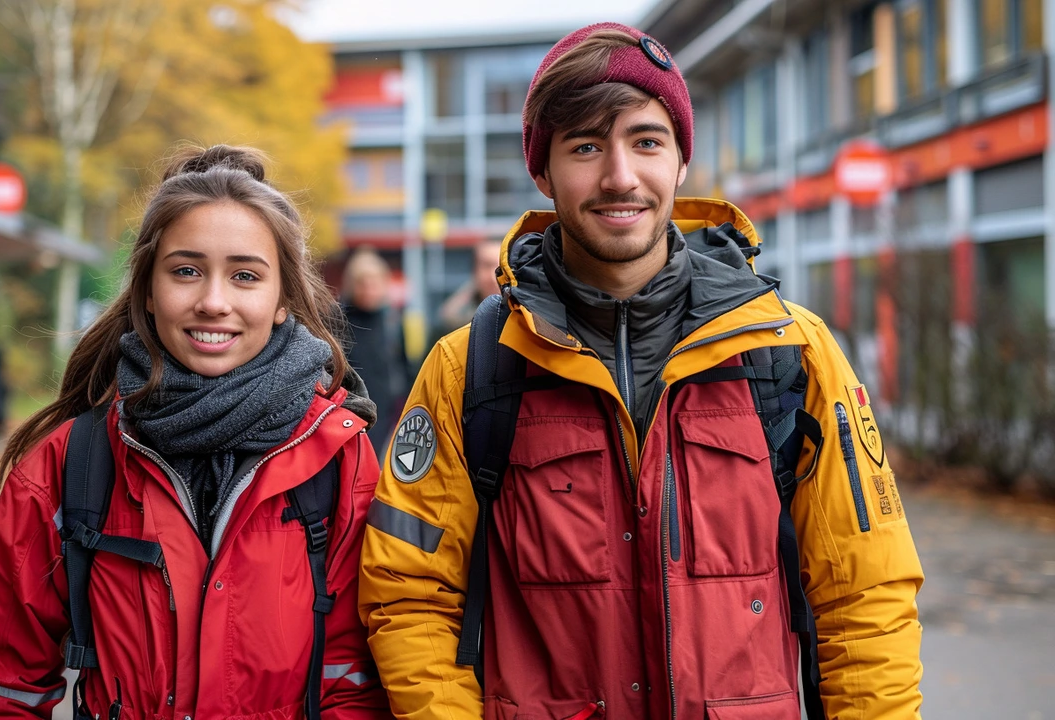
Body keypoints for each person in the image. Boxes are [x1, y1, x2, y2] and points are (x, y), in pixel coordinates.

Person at [359, 23, 924, 719]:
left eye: (646, 141)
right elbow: (407, 594)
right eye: (586, 146)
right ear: (542, 171)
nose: (619, 175)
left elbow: (865, 598)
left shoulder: (790, 354)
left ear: (681, 160)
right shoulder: (469, 369)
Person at [0, 145, 391, 720]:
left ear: (283, 299)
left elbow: (354, 682)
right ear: (149, 293)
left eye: (245, 276)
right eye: (186, 271)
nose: (213, 301)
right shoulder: (71, 463)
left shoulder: (336, 455)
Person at [340, 248, 412, 448]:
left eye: (374, 283)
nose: (369, 290)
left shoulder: (393, 319)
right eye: (362, 283)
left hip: (389, 414)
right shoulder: (338, 320)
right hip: (351, 415)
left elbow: (405, 366)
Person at [435, 237, 503, 337]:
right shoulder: (456, 321)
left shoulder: (526, 317)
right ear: (474, 271)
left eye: (501, 267)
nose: (493, 277)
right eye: (487, 266)